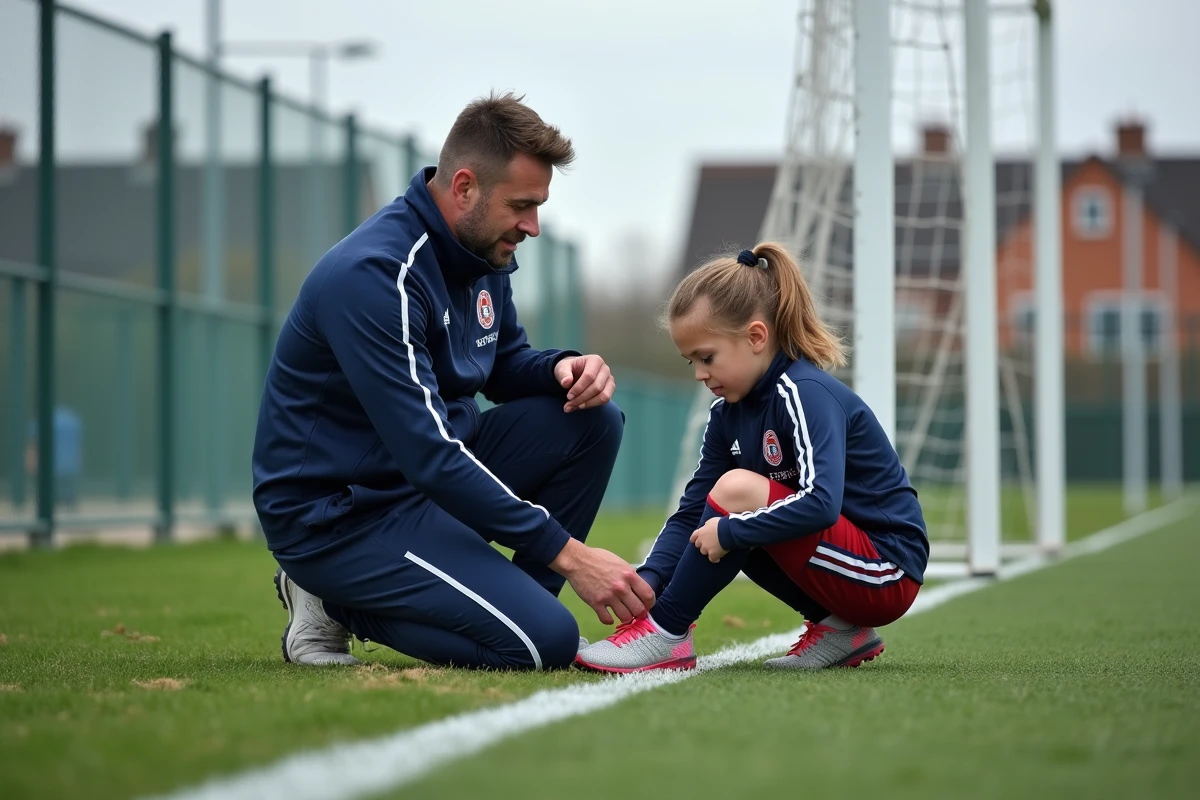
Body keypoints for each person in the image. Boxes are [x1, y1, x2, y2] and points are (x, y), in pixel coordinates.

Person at [251, 92, 655, 671]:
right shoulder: (375, 276)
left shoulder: (480, 252)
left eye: (538, 206)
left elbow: (506, 363)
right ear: (464, 187)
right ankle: (333, 601)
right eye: (521, 205)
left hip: (418, 483)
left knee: (593, 420)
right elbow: (428, 453)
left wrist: (562, 367)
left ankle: (517, 612)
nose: (532, 226)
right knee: (546, 644)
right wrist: (571, 557)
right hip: (341, 518)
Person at [575, 243, 929, 673]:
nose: (699, 374)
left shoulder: (804, 393)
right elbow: (692, 514)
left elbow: (821, 503)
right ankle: (840, 630)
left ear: (757, 337)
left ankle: (665, 634)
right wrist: (652, 579)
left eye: (708, 357)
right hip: (845, 565)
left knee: (737, 501)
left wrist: (728, 531)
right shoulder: (727, 415)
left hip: (886, 570)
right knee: (727, 513)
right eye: (691, 361)